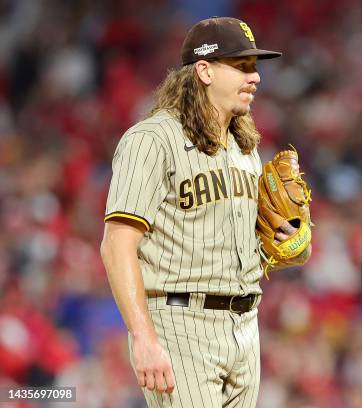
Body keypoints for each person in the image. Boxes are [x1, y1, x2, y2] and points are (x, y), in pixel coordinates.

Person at [100, 16, 310, 407]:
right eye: (243, 66)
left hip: (245, 326)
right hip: (180, 323)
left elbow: (238, 246)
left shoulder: (244, 147)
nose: (256, 78)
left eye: (255, 67)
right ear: (204, 70)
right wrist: (144, 337)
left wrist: (284, 247)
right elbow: (117, 244)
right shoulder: (151, 140)